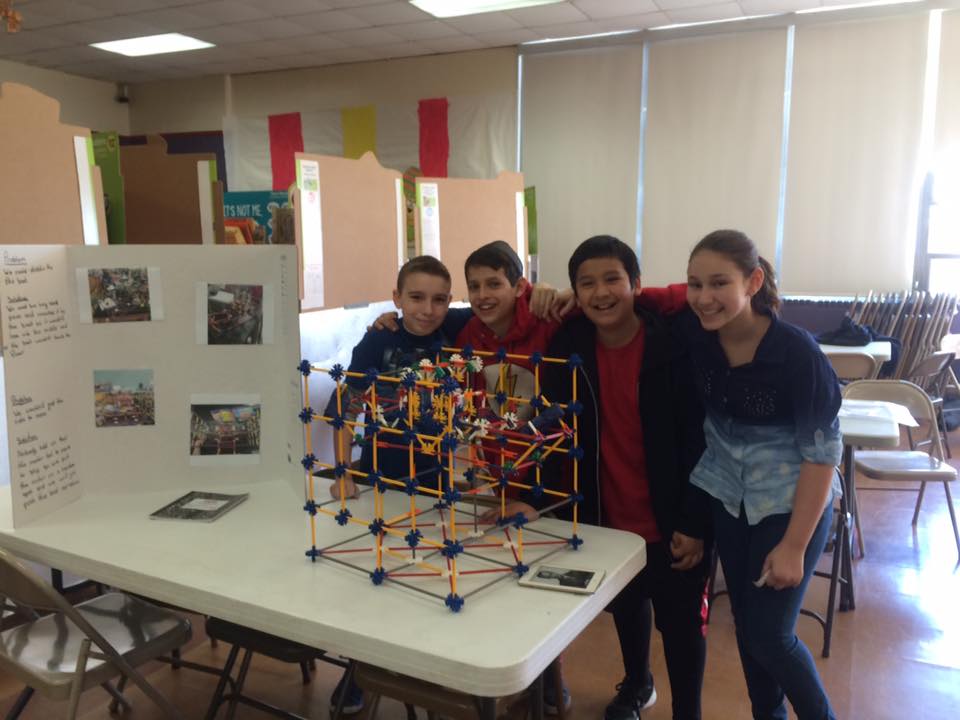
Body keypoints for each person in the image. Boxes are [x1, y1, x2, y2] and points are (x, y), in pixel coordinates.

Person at [506, 236, 711, 720]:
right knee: (626, 606)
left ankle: (689, 712)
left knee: (681, 625)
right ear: (574, 293)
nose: (601, 293)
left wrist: (696, 522)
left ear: (636, 284)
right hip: (605, 514)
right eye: (587, 283)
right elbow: (554, 430)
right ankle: (638, 684)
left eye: (612, 279)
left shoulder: (674, 344)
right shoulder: (570, 344)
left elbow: (701, 444)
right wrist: (539, 498)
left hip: (673, 518)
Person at [682, 229, 841, 720]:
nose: (704, 298)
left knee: (771, 635)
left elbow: (822, 456)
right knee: (749, 629)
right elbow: (636, 298)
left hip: (790, 505)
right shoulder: (699, 337)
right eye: (694, 284)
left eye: (719, 283)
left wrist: (794, 546)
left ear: (752, 282)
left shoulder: (797, 353)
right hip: (730, 501)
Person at [323, 254, 469, 713]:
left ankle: (426, 666)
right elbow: (343, 407)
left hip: (433, 482)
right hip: (379, 477)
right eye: (416, 298)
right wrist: (343, 472)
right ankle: (358, 671)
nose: (427, 309)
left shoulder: (456, 331)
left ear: (450, 301)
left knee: (428, 576)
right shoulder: (378, 339)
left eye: (439, 299)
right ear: (396, 298)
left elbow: (501, 306)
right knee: (373, 578)